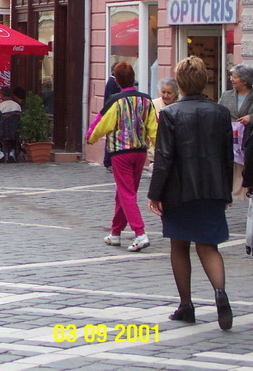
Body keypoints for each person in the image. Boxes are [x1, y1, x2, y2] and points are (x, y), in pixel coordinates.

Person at [149, 56, 234, 330]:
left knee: (179, 245)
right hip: (212, 188)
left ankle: (186, 304)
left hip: (179, 189)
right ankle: (220, 293)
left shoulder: (170, 114)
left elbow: (164, 157)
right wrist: (226, 191)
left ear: (181, 85)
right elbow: (227, 155)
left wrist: (155, 193)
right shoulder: (220, 113)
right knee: (209, 246)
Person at [87, 61, 157, 253]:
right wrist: (159, 148)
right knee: (125, 192)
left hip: (120, 152)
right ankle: (115, 232)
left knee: (126, 193)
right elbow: (154, 128)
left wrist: (91, 137)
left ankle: (140, 233)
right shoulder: (146, 100)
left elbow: (102, 123)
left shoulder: (115, 101)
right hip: (140, 152)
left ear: (116, 80)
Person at [218, 64, 253, 202]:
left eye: (235, 77)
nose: (231, 79)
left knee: (247, 167)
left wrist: (251, 118)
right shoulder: (227, 95)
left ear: (244, 80)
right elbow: (219, 112)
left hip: (248, 140)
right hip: (230, 140)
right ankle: (231, 193)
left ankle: (247, 190)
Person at [0, 87, 22, 163]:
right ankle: (12, 152)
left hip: (1, 133)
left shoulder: (0, 106)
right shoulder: (18, 106)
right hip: (14, 133)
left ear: (2, 95)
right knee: (12, 139)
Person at [102, 62, 120, 171]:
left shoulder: (111, 81)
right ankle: (108, 161)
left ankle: (108, 161)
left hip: (110, 112)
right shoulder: (113, 82)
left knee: (111, 136)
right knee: (111, 137)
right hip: (113, 113)